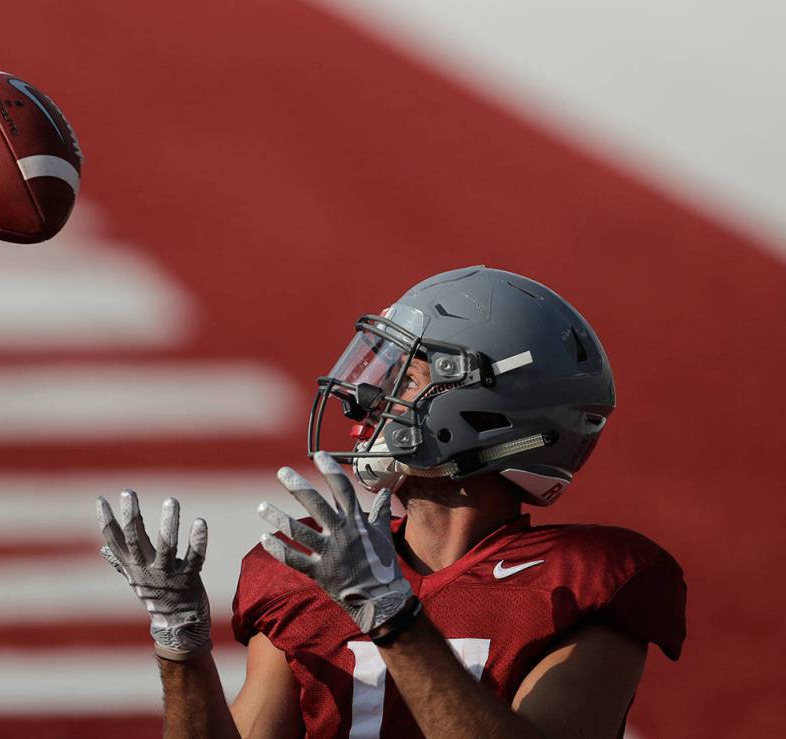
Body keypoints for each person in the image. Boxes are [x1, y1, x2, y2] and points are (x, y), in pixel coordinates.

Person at [95, 266, 686, 738]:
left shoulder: (584, 584)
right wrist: (181, 645)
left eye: (405, 378)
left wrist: (391, 616)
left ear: (487, 412)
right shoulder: (313, 569)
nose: (367, 396)